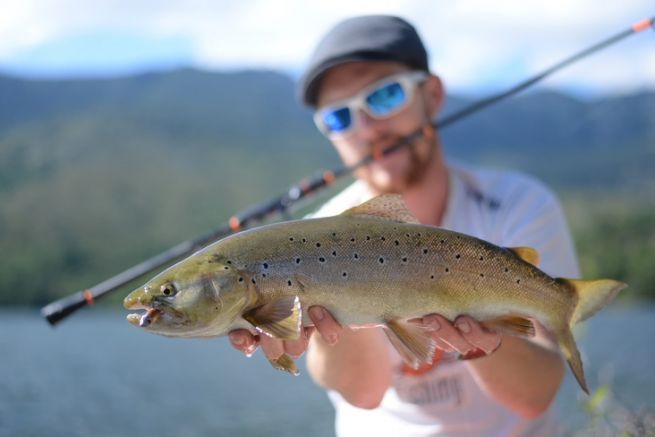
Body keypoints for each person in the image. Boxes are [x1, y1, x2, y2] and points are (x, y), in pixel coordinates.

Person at [229, 15, 580, 436]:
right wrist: (329, 304)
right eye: (340, 117)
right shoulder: (309, 241)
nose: (367, 128)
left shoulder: (518, 204)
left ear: (431, 95)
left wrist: (491, 344)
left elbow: (535, 395)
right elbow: (364, 394)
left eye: (383, 97)